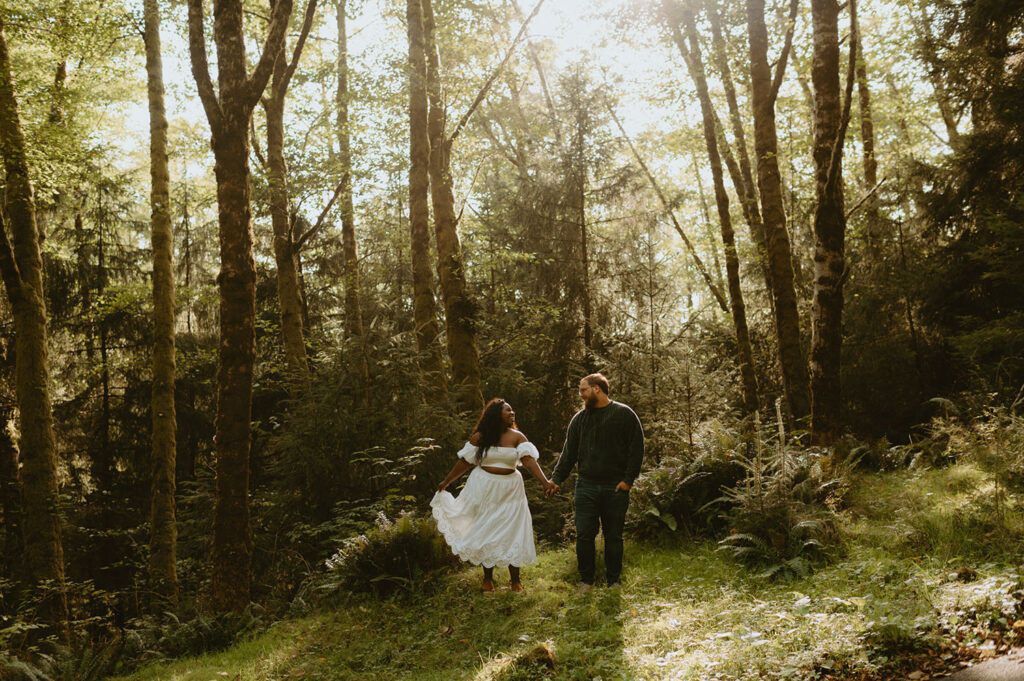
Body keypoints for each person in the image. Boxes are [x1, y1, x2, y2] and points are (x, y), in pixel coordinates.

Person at [431, 398, 556, 592]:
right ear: (496, 414)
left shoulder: (517, 437)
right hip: (484, 487)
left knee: (513, 530)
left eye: (512, 410)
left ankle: (515, 581)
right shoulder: (481, 437)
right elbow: (465, 463)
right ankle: (487, 580)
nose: (512, 413)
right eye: (508, 410)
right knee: (487, 528)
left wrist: (545, 481)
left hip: (510, 490)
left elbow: (529, 461)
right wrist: (447, 481)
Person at [547, 373, 644, 592]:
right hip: (586, 486)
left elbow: (636, 449)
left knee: (613, 536)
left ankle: (614, 581)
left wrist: (628, 481)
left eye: (583, 390)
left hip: (616, 487)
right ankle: (586, 581)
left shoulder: (624, 414)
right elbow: (568, 454)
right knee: (584, 535)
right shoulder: (579, 419)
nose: (581, 395)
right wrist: (556, 479)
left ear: (597, 389)